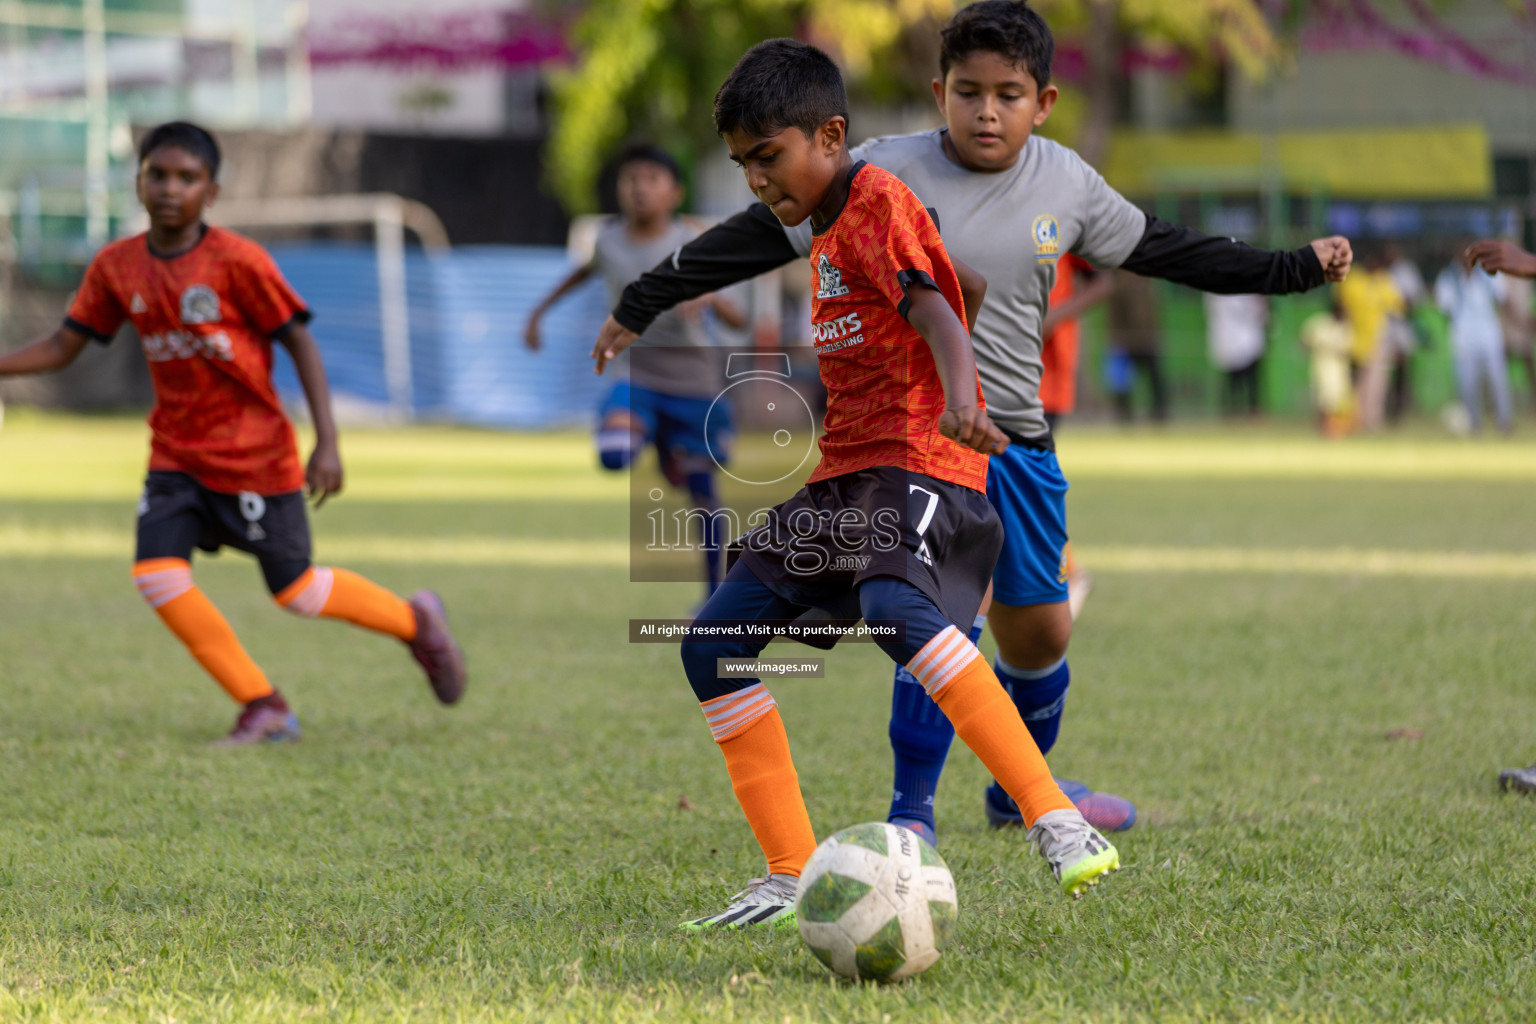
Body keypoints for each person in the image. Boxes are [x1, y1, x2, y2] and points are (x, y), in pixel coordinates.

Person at [590, 0, 1351, 847]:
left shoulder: (1068, 183)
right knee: (927, 613)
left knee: (1039, 630)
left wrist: (1289, 269)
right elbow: (753, 235)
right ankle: (912, 814)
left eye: (1009, 94)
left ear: (1044, 101)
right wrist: (647, 295)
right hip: (920, 447)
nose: (987, 111)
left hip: (1015, 439)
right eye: (968, 91)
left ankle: (1019, 787)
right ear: (938, 91)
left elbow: (1172, 251)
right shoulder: (875, 169)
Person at [596, 38, 1123, 928]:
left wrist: (961, 397)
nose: (757, 179)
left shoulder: (877, 199)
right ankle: (788, 871)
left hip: (922, 462)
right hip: (846, 476)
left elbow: (935, 307)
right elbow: (965, 283)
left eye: (769, 156)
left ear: (830, 135)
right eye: (742, 164)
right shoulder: (828, 227)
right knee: (709, 645)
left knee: (898, 607)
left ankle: (1058, 821)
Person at [0, 122, 466, 744]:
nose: (170, 188)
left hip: (253, 455)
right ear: (138, 183)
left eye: (186, 178)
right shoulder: (117, 266)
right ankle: (263, 705)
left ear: (210, 192)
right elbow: (64, 345)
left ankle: (415, 620)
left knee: (297, 591)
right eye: (157, 175)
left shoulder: (237, 261)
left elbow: (299, 339)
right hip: (176, 452)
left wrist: (327, 441)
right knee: (157, 575)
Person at [525, 144, 745, 594]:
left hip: (694, 384)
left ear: (675, 192)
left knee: (704, 492)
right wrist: (537, 314)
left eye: (652, 179)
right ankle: (661, 441)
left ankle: (714, 597)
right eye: (632, 179)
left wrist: (708, 296)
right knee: (614, 451)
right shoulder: (607, 241)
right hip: (638, 376)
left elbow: (738, 318)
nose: (640, 188)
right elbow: (580, 274)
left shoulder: (694, 239)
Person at [1039, 253, 1112, 619]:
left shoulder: (1060, 206)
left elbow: (1103, 281)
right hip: (993, 373)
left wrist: (1055, 316)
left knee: (1027, 484)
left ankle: (1070, 575)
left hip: (1045, 377)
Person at [1435, 248, 1511, 434]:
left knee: (1497, 380)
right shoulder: (1448, 277)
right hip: (1463, 337)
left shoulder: (1488, 273)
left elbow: (1502, 300)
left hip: (1489, 335)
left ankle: (1504, 421)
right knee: (1468, 384)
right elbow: (1444, 309)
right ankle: (1475, 424)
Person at [1337, 249, 1403, 432]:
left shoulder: (1383, 280)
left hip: (1378, 339)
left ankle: (1372, 420)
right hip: (1354, 338)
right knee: (1355, 384)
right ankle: (1356, 420)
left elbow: (1398, 305)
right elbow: (1341, 307)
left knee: (1376, 383)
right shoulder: (1352, 280)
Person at [1299, 294, 1356, 439]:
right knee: (1323, 401)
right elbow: (1304, 340)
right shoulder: (1320, 324)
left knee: (1338, 402)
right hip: (1322, 368)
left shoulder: (1346, 328)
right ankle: (1323, 429)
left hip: (1340, 371)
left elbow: (1349, 350)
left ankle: (1336, 430)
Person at [1204, 292, 1268, 417]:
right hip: (1227, 339)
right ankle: (1231, 410)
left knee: (1251, 379)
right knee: (1232, 381)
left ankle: (1253, 409)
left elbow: (1259, 310)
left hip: (1249, 338)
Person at [1383, 243, 1427, 423]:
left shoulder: (1407, 270)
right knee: (1383, 368)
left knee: (1402, 367)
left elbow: (1416, 298)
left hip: (1402, 324)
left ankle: (1400, 406)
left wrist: (1401, 305)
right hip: (1383, 325)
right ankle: (1385, 406)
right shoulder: (1382, 271)